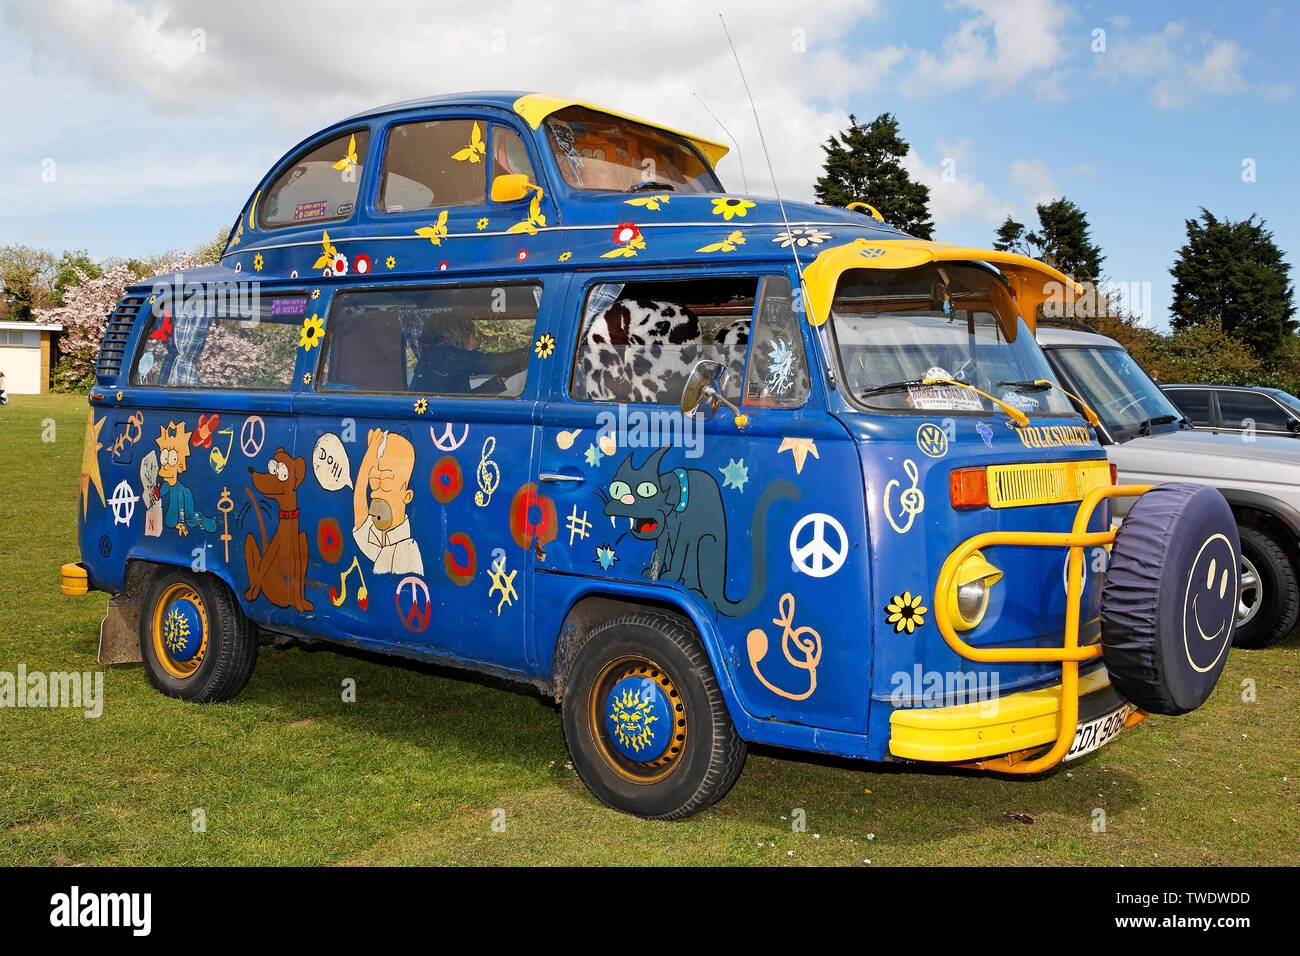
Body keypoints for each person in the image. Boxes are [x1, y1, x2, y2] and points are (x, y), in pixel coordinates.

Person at [352, 428, 423, 575]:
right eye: (373, 481)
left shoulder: (408, 552)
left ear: (407, 496)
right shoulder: (373, 532)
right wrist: (368, 460)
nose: (374, 493)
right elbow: (359, 505)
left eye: (385, 481)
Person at [410, 315, 528, 395]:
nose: (475, 341)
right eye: (473, 336)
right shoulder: (446, 356)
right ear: (461, 336)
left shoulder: (434, 358)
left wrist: (499, 381)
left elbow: (464, 399)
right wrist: (537, 352)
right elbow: (497, 363)